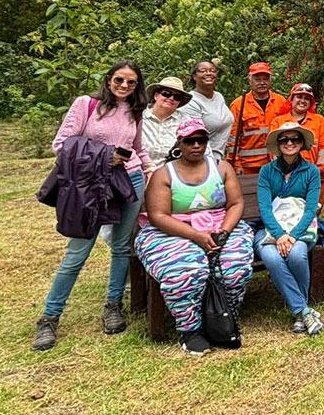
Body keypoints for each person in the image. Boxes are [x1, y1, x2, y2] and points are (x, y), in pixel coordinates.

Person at [33, 61, 152, 352]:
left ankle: (114, 305)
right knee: (78, 250)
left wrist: (150, 171)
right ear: (109, 79)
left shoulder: (135, 111)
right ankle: (50, 316)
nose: (124, 86)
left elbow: (137, 148)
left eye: (132, 82)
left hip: (130, 180)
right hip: (91, 184)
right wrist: (105, 156)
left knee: (122, 246)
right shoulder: (86, 105)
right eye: (120, 80)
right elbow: (61, 145)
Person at [132, 119, 254, 356]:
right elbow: (158, 215)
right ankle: (190, 329)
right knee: (187, 270)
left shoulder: (221, 167)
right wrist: (196, 236)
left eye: (201, 140)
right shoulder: (163, 174)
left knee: (234, 266)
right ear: (180, 143)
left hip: (219, 225)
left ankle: (221, 318)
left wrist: (224, 232)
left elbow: (236, 203)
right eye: (190, 140)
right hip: (174, 230)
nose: (196, 145)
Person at [253, 121, 324, 337]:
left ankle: (299, 311)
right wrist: (280, 234)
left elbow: (311, 209)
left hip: (301, 228)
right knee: (272, 257)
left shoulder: (311, 171)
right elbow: (264, 208)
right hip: (271, 229)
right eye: (284, 139)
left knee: (297, 254)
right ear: (278, 144)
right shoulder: (266, 171)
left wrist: (292, 236)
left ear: (302, 143)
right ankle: (302, 311)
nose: (290, 143)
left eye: (295, 139)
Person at [270, 83, 324, 204]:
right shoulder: (278, 122)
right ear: (291, 99)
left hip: (316, 177)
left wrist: (315, 172)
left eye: (307, 98)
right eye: (299, 97)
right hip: (286, 178)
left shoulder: (319, 121)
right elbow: (274, 152)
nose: (303, 101)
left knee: (312, 215)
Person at [227, 62, 287, 174]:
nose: (262, 83)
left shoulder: (280, 101)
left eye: (265, 79)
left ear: (270, 80)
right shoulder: (238, 104)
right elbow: (232, 139)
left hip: (277, 164)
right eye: (257, 79)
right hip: (248, 167)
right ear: (250, 81)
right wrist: (236, 164)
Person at [178, 60, 234, 161]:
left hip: (220, 157)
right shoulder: (190, 101)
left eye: (212, 70)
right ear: (194, 76)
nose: (208, 73)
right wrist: (211, 164)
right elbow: (195, 135)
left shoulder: (218, 96)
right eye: (203, 71)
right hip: (202, 159)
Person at [142, 76, 193, 173]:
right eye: (166, 94)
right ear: (156, 95)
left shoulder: (187, 122)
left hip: (173, 176)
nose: (171, 98)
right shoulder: (138, 117)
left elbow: (203, 150)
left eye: (177, 97)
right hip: (137, 175)